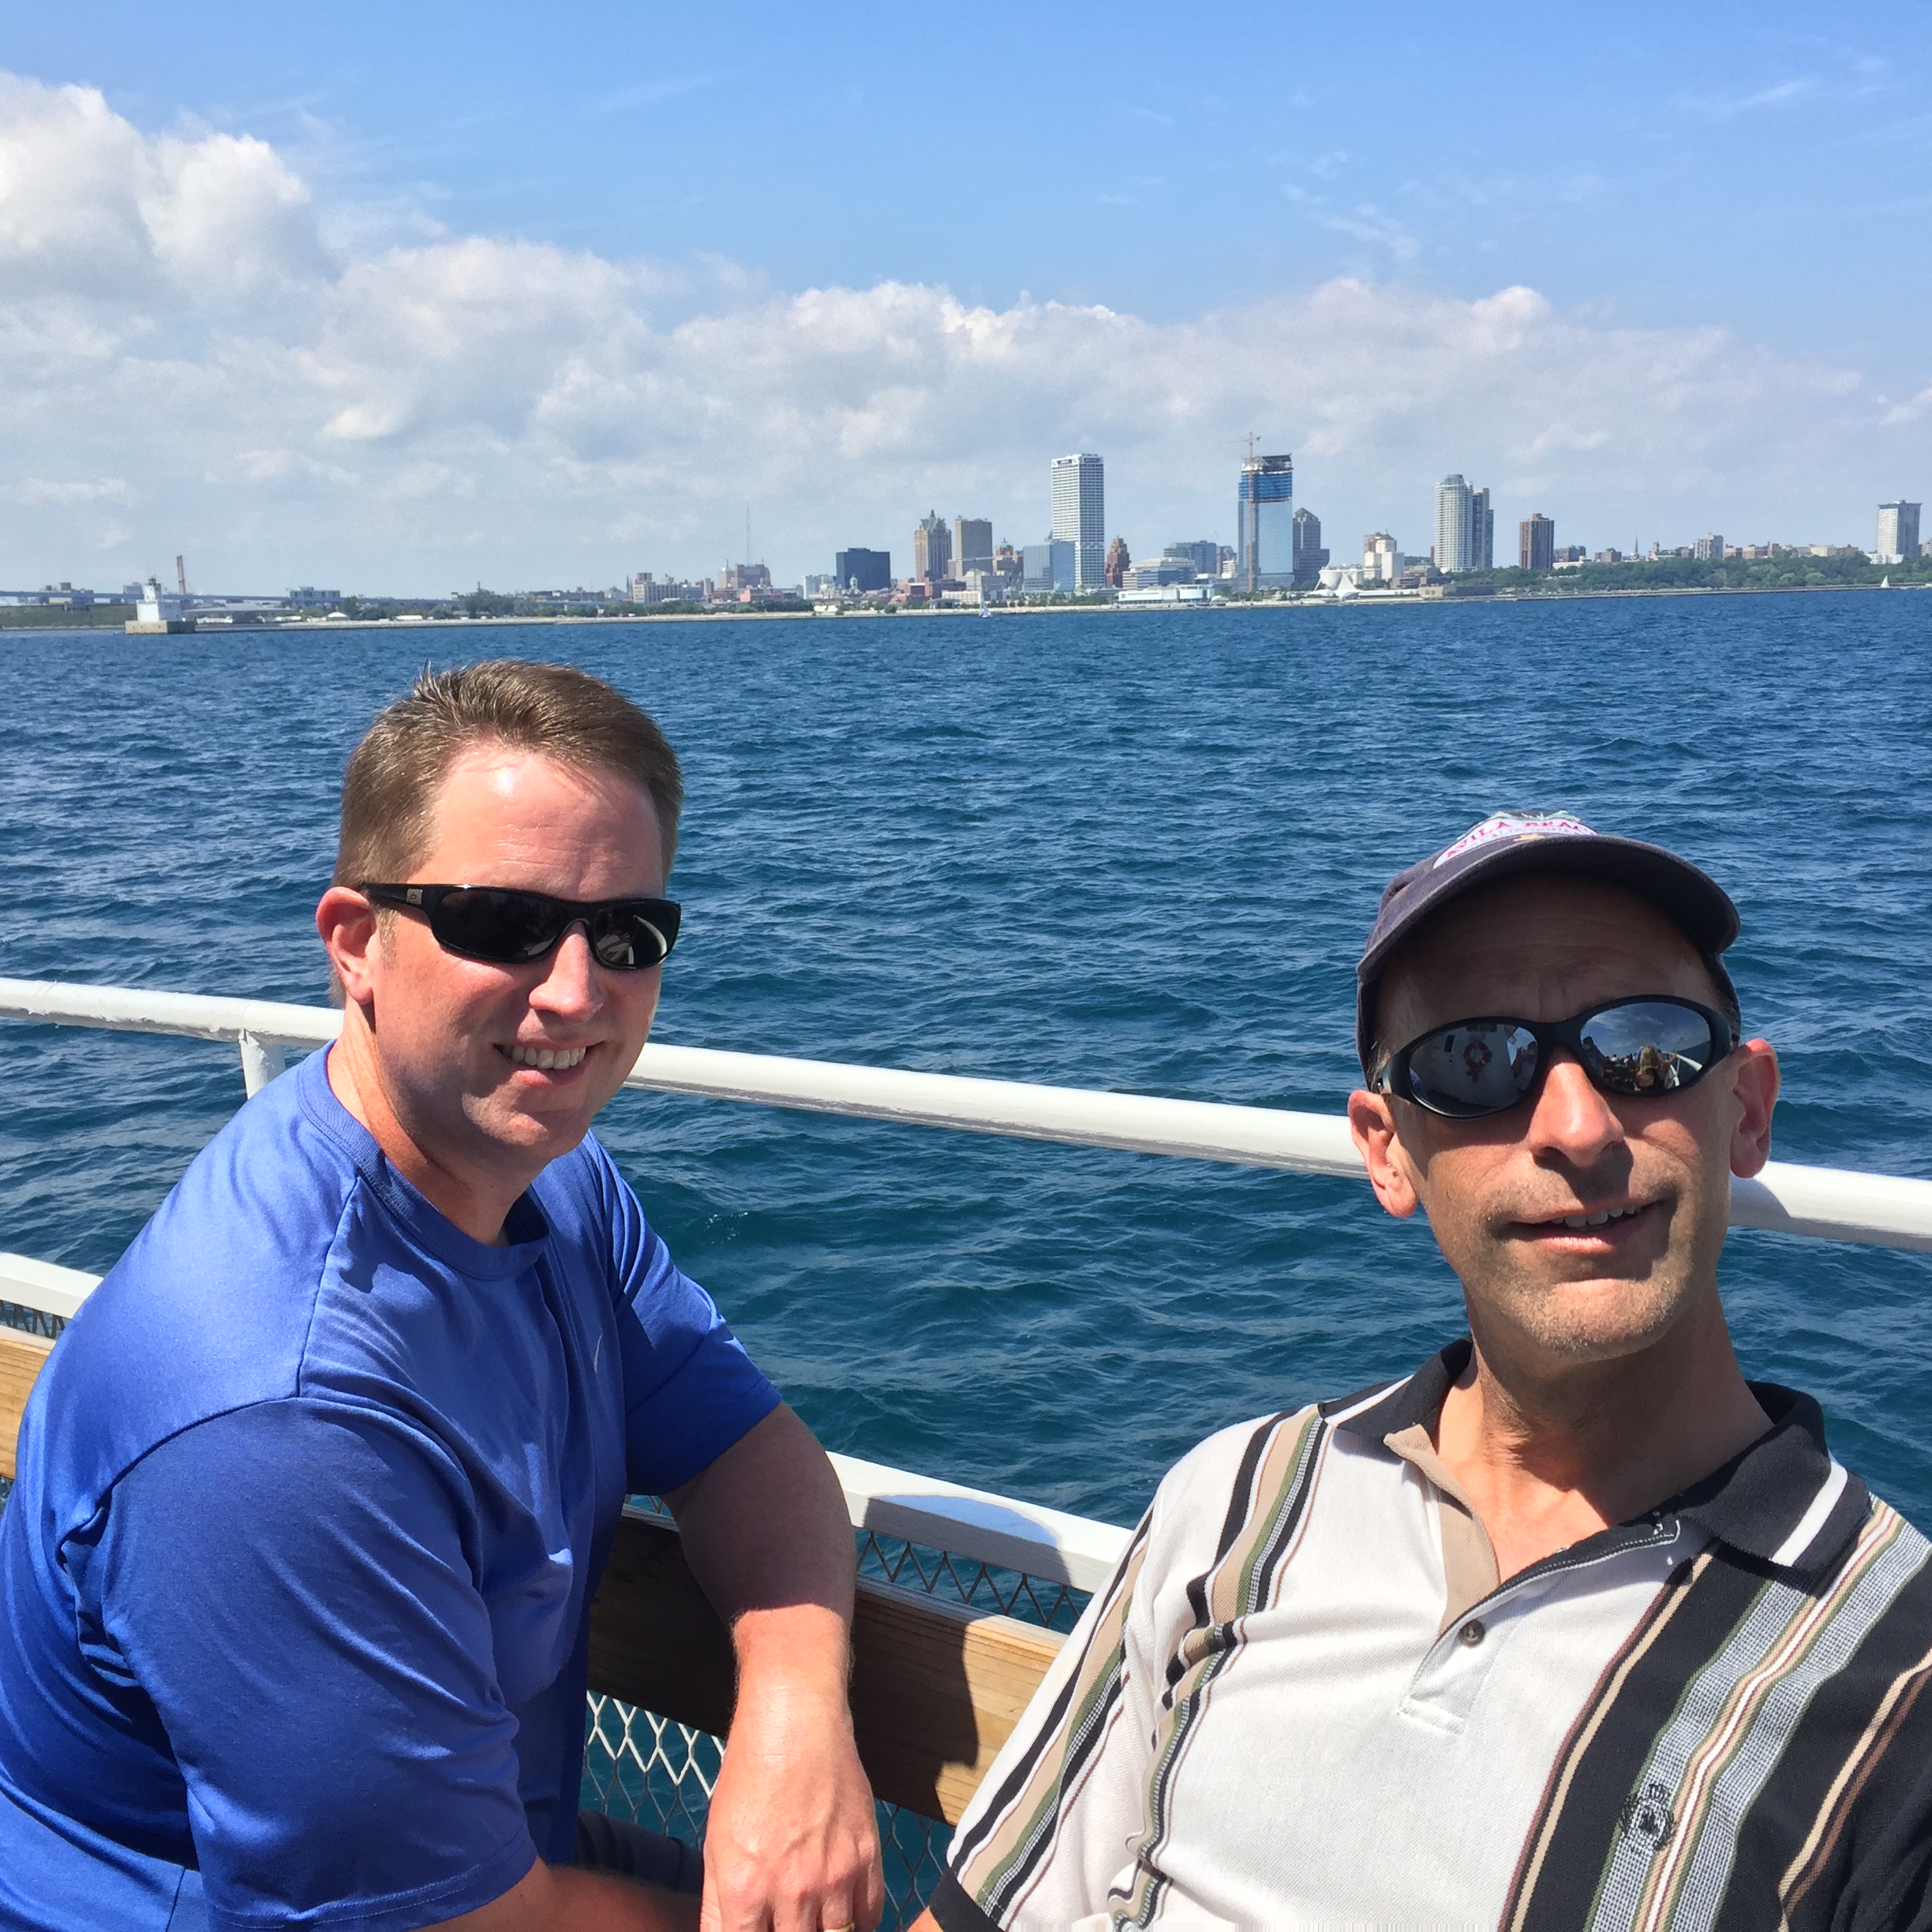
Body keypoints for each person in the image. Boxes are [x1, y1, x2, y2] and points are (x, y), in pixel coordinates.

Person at [923, 810, 1932, 1930]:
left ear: (1745, 1108)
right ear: (1387, 1151)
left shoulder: (1896, 1681)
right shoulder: (1242, 1498)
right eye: (1474, 1062)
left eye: (1647, 1046)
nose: (1579, 1127)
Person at [0, 661, 883, 1932]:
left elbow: (744, 1443)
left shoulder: (553, 1182)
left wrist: (793, 1714)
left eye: (627, 935)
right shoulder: (281, 1419)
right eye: (505, 922)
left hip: (481, 1854)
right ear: (356, 942)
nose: (576, 990)